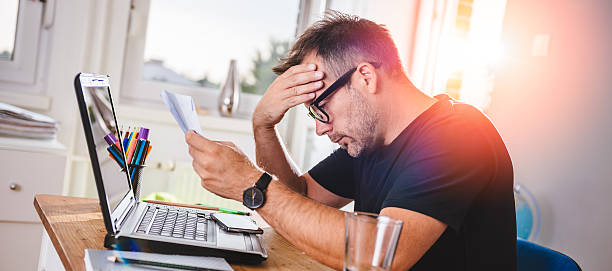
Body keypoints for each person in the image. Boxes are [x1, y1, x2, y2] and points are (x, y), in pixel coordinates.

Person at [185, 11, 516, 270]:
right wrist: (263, 126)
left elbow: (381, 254)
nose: (320, 129)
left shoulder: (459, 135)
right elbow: (301, 200)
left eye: (322, 109)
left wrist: (251, 184)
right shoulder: (372, 140)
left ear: (366, 78)